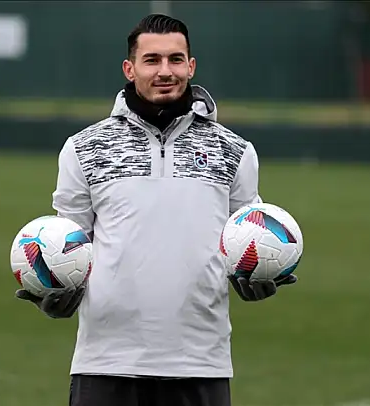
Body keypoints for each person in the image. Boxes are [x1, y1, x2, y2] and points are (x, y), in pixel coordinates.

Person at [15, 13, 298, 406]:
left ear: (191, 66)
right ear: (129, 69)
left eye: (175, 59)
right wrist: (55, 289)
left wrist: (254, 275)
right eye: (152, 60)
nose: (165, 71)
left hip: (201, 362)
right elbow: (67, 245)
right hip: (105, 362)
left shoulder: (235, 151)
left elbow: (245, 240)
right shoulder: (84, 148)